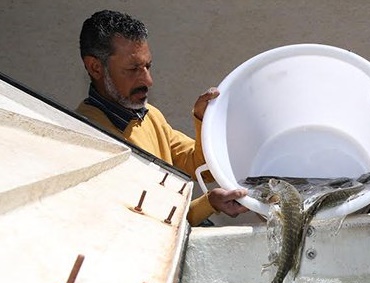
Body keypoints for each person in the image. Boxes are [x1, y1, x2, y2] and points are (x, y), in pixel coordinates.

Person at [76, 10, 248, 226]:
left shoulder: (148, 114)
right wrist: (209, 203)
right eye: (133, 69)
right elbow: (146, 223)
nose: (148, 80)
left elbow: (199, 167)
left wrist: (204, 120)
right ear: (95, 67)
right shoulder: (89, 137)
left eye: (148, 66)